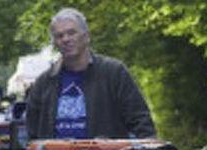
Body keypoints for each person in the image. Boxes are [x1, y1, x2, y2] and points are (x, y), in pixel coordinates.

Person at [23, 8, 157, 141]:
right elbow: (32, 133)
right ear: (55, 43)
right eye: (59, 36)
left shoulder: (113, 72)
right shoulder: (44, 82)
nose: (66, 39)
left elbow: (140, 120)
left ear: (86, 36)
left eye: (71, 33)